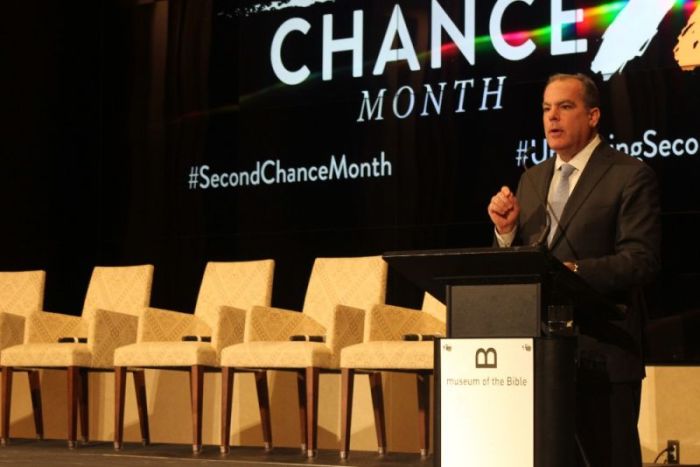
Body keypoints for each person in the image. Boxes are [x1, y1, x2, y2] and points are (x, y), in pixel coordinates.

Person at [487, 73, 661, 467]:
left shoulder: (629, 175)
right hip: (541, 355)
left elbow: (641, 260)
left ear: (594, 115)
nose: (553, 118)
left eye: (565, 107)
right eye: (547, 109)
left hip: (604, 351)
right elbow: (525, 263)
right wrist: (506, 231)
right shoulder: (531, 180)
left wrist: (573, 271)